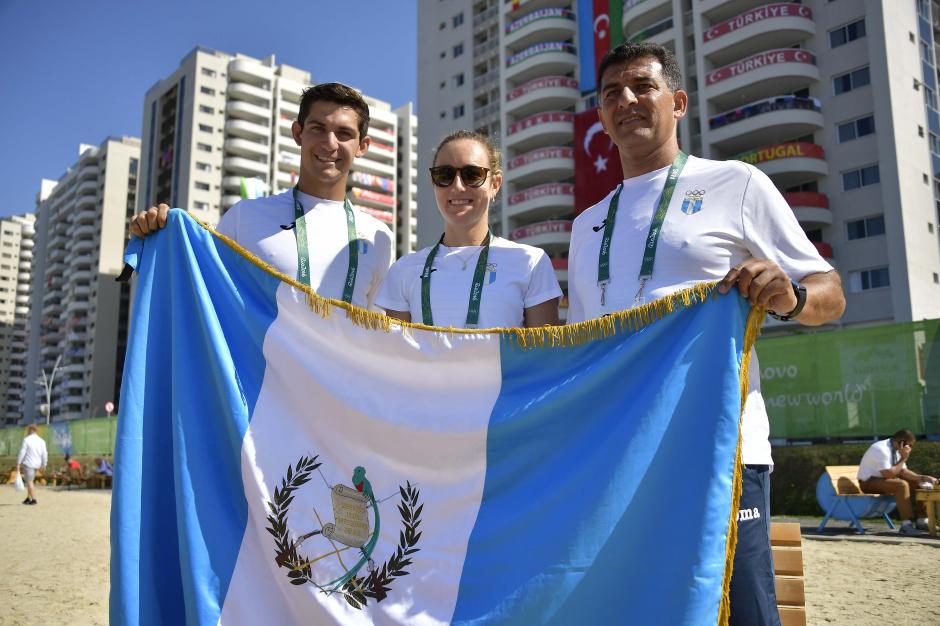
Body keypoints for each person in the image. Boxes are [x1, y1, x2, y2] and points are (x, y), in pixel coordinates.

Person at [567, 42, 846, 626]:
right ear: (601, 117)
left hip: (724, 449)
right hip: (621, 455)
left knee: (741, 611)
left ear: (678, 101)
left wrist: (790, 298)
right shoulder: (587, 225)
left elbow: (830, 293)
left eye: (643, 87)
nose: (627, 100)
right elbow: (583, 350)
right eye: (611, 93)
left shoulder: (736, 184)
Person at [129, 83, 394, 310]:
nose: (330, 143)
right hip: (260, 371)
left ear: (362, 146)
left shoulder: (378, 236)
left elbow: (376, 335)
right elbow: (201, 297)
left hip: (340, 372)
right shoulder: (245, 217)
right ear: (298, 133)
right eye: (318, 128)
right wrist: (160, 236)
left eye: (344, 133)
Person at [376, 130, 561, 328]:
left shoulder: (529, 262)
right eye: (444, 175)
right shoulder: (404, 270)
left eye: (472, 175)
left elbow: (545, 355)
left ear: (495, 184)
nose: (457, 186)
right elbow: (396, 356)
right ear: (433, 182)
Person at [858, 429, 938, 534]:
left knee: (919, 483)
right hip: (868, 483)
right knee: (901, 485)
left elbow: (903, 471)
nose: (910, 449)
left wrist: (922, 477)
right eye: (910, 445)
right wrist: (903, 458)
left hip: (884, 481)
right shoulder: (880, 449)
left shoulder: (897, 449)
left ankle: (922, 521)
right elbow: (888, 474)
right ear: (902, 442)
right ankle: (906, 525)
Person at [16, 425, 48, 505]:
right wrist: (44, 464)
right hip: (37, 464)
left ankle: (34, 499)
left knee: (29, 482)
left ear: (30, 430)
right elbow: (44, 454)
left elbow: (22, 452)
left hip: (28, 463)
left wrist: (18, 462)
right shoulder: (42, 441)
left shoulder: (26, 440)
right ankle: (28, 498)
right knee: (30, 481)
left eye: (28, 430)